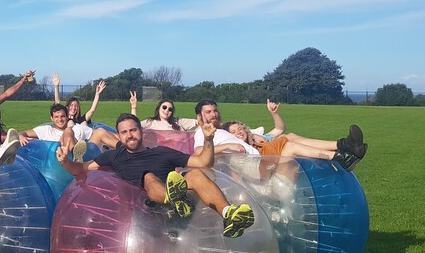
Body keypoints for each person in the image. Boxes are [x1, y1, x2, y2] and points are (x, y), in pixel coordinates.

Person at [58, 113, 256, 238]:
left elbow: (204, 162)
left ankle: (229, 214)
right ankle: (173, 199)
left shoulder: (162, 152)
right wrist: (65, 161)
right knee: (148, 176)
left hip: (184, 207)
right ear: (119, 136)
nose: (130, 135)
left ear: (141, 131)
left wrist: (209, 139)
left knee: (195, 174)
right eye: (124, 132)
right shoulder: (114, 156)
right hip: (149, 210)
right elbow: (81, 169)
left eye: (133, 130)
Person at [194, 99, 367, 171]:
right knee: (288, 143)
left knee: (289, 137)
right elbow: (198, 152)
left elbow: (278, 129)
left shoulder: (224, 131)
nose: (214, 114)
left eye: (215, 110)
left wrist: (273, 114)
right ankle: (341, 156)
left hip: (258, 156)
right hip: (253, 164)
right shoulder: (202, 133)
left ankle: (345, 146)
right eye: (208, 112)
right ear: (200, 116)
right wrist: (227, 146)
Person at [17, 103, 118, 159]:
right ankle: (75, 154)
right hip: (60, 163)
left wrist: (122, 137)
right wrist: (21, 136)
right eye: (56, 117)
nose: (60, 120)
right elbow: (22, 133)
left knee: (100, 131)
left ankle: (125, 149)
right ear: (51, 118)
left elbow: (98, 133)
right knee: (68, 131)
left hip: (85, 159)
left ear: (67, 117)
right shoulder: (46, 130)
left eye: (62, 116)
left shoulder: (77, 128)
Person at [131, 94, 197, 131]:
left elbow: (198, 122)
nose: (167, 110)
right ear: (159, 108)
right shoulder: (151, 122)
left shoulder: (178, 121)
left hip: (179, 152)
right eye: (164, 107)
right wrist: (133, 107)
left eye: (170, 109)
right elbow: (134, 125)